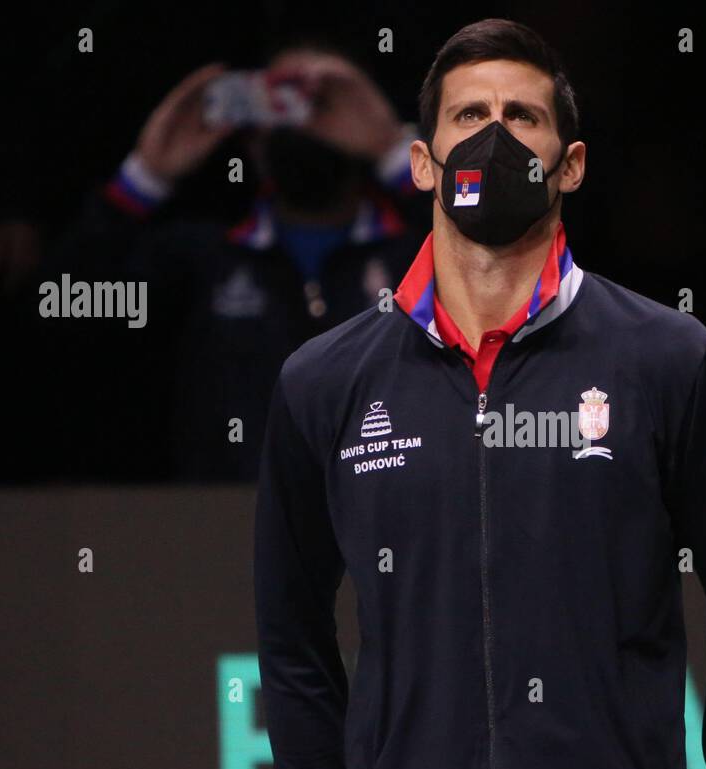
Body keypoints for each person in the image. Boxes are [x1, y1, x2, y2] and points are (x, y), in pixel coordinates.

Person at [255, 18, 706, 769]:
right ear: (423, 164)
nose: (496, 137)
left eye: (523, 117)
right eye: (469, 118)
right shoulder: (325, 382)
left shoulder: (666, 359)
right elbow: (290, 633)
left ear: (570, 164)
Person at [40, 41, 424, 480]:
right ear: (252, 136)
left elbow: (506, 272)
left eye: (321, 103)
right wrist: (143, 180)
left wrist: (396, 153)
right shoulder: (202, 259)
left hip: (388, 529)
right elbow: (57, 312)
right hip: (224, 527)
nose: (302, 121)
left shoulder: (421, 256)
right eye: (279, 101)